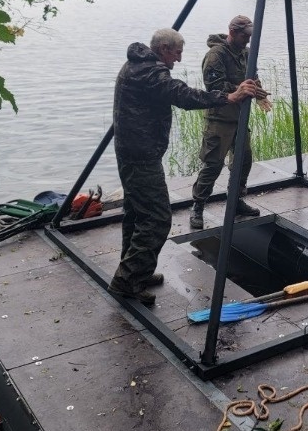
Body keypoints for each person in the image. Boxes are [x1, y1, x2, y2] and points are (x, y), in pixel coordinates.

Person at [109, 28, 257, 304]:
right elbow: (183, 96)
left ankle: (134, 270)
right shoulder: (151, 73)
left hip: (132, 151)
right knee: (157, 218)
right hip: (140, 156)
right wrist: (228, 97)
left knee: (136, 214)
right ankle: (126, 281)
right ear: (164, 48)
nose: (178, 59)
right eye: (177, 53)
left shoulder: (137, 64)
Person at [189, 15, 267, 229]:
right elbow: (214, 88)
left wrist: (259, 93)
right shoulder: (216, 55)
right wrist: (240, 88)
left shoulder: (246, 53)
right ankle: (198, 205)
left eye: (250, 36)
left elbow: (252, 78)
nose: (248, 40)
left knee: (243, 161)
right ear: (232, 32)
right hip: (219, 119)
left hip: (240, 117)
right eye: (245, 36)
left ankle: (236, 200)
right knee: (213, 164)